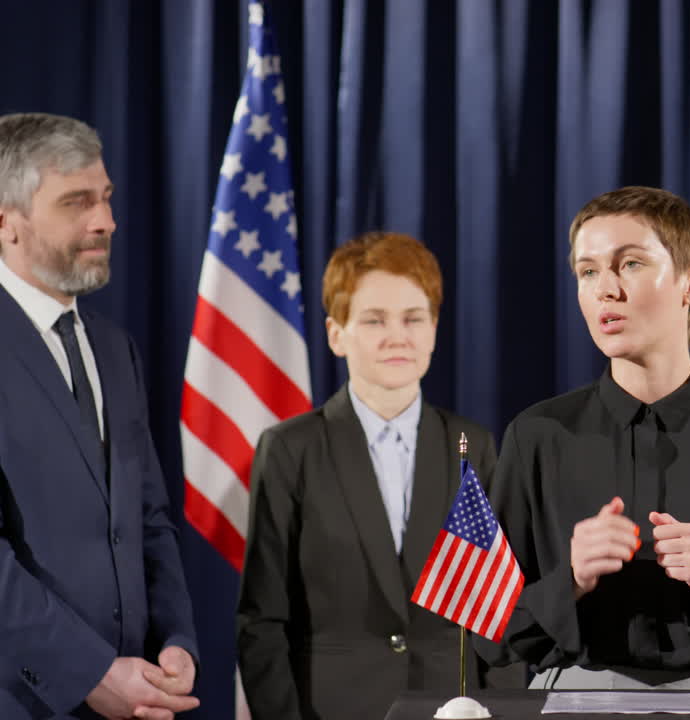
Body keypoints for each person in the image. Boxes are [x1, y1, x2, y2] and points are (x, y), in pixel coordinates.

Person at [478, 186, 690, 689]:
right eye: (588, 270)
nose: (606, 289)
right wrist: (569, 581)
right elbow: (487, 636)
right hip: (572, 697)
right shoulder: (536, 436)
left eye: (631, 264)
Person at [237, 232, 520, 720]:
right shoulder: (290, 450)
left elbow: (496, 612)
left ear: (433, 329)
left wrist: (500, 709)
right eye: (374, 320)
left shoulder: (472, 446)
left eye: (414, 318)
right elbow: (263, 621)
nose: (398, 336)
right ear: (336, 333)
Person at [0, 112, 200, 718]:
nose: (106, 221)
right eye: (77, 202)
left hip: (140, 696)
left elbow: (148, 519)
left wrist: (176, 639)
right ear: (7, 223)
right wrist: (86, 673)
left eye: (107, 198)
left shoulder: (115, 348)